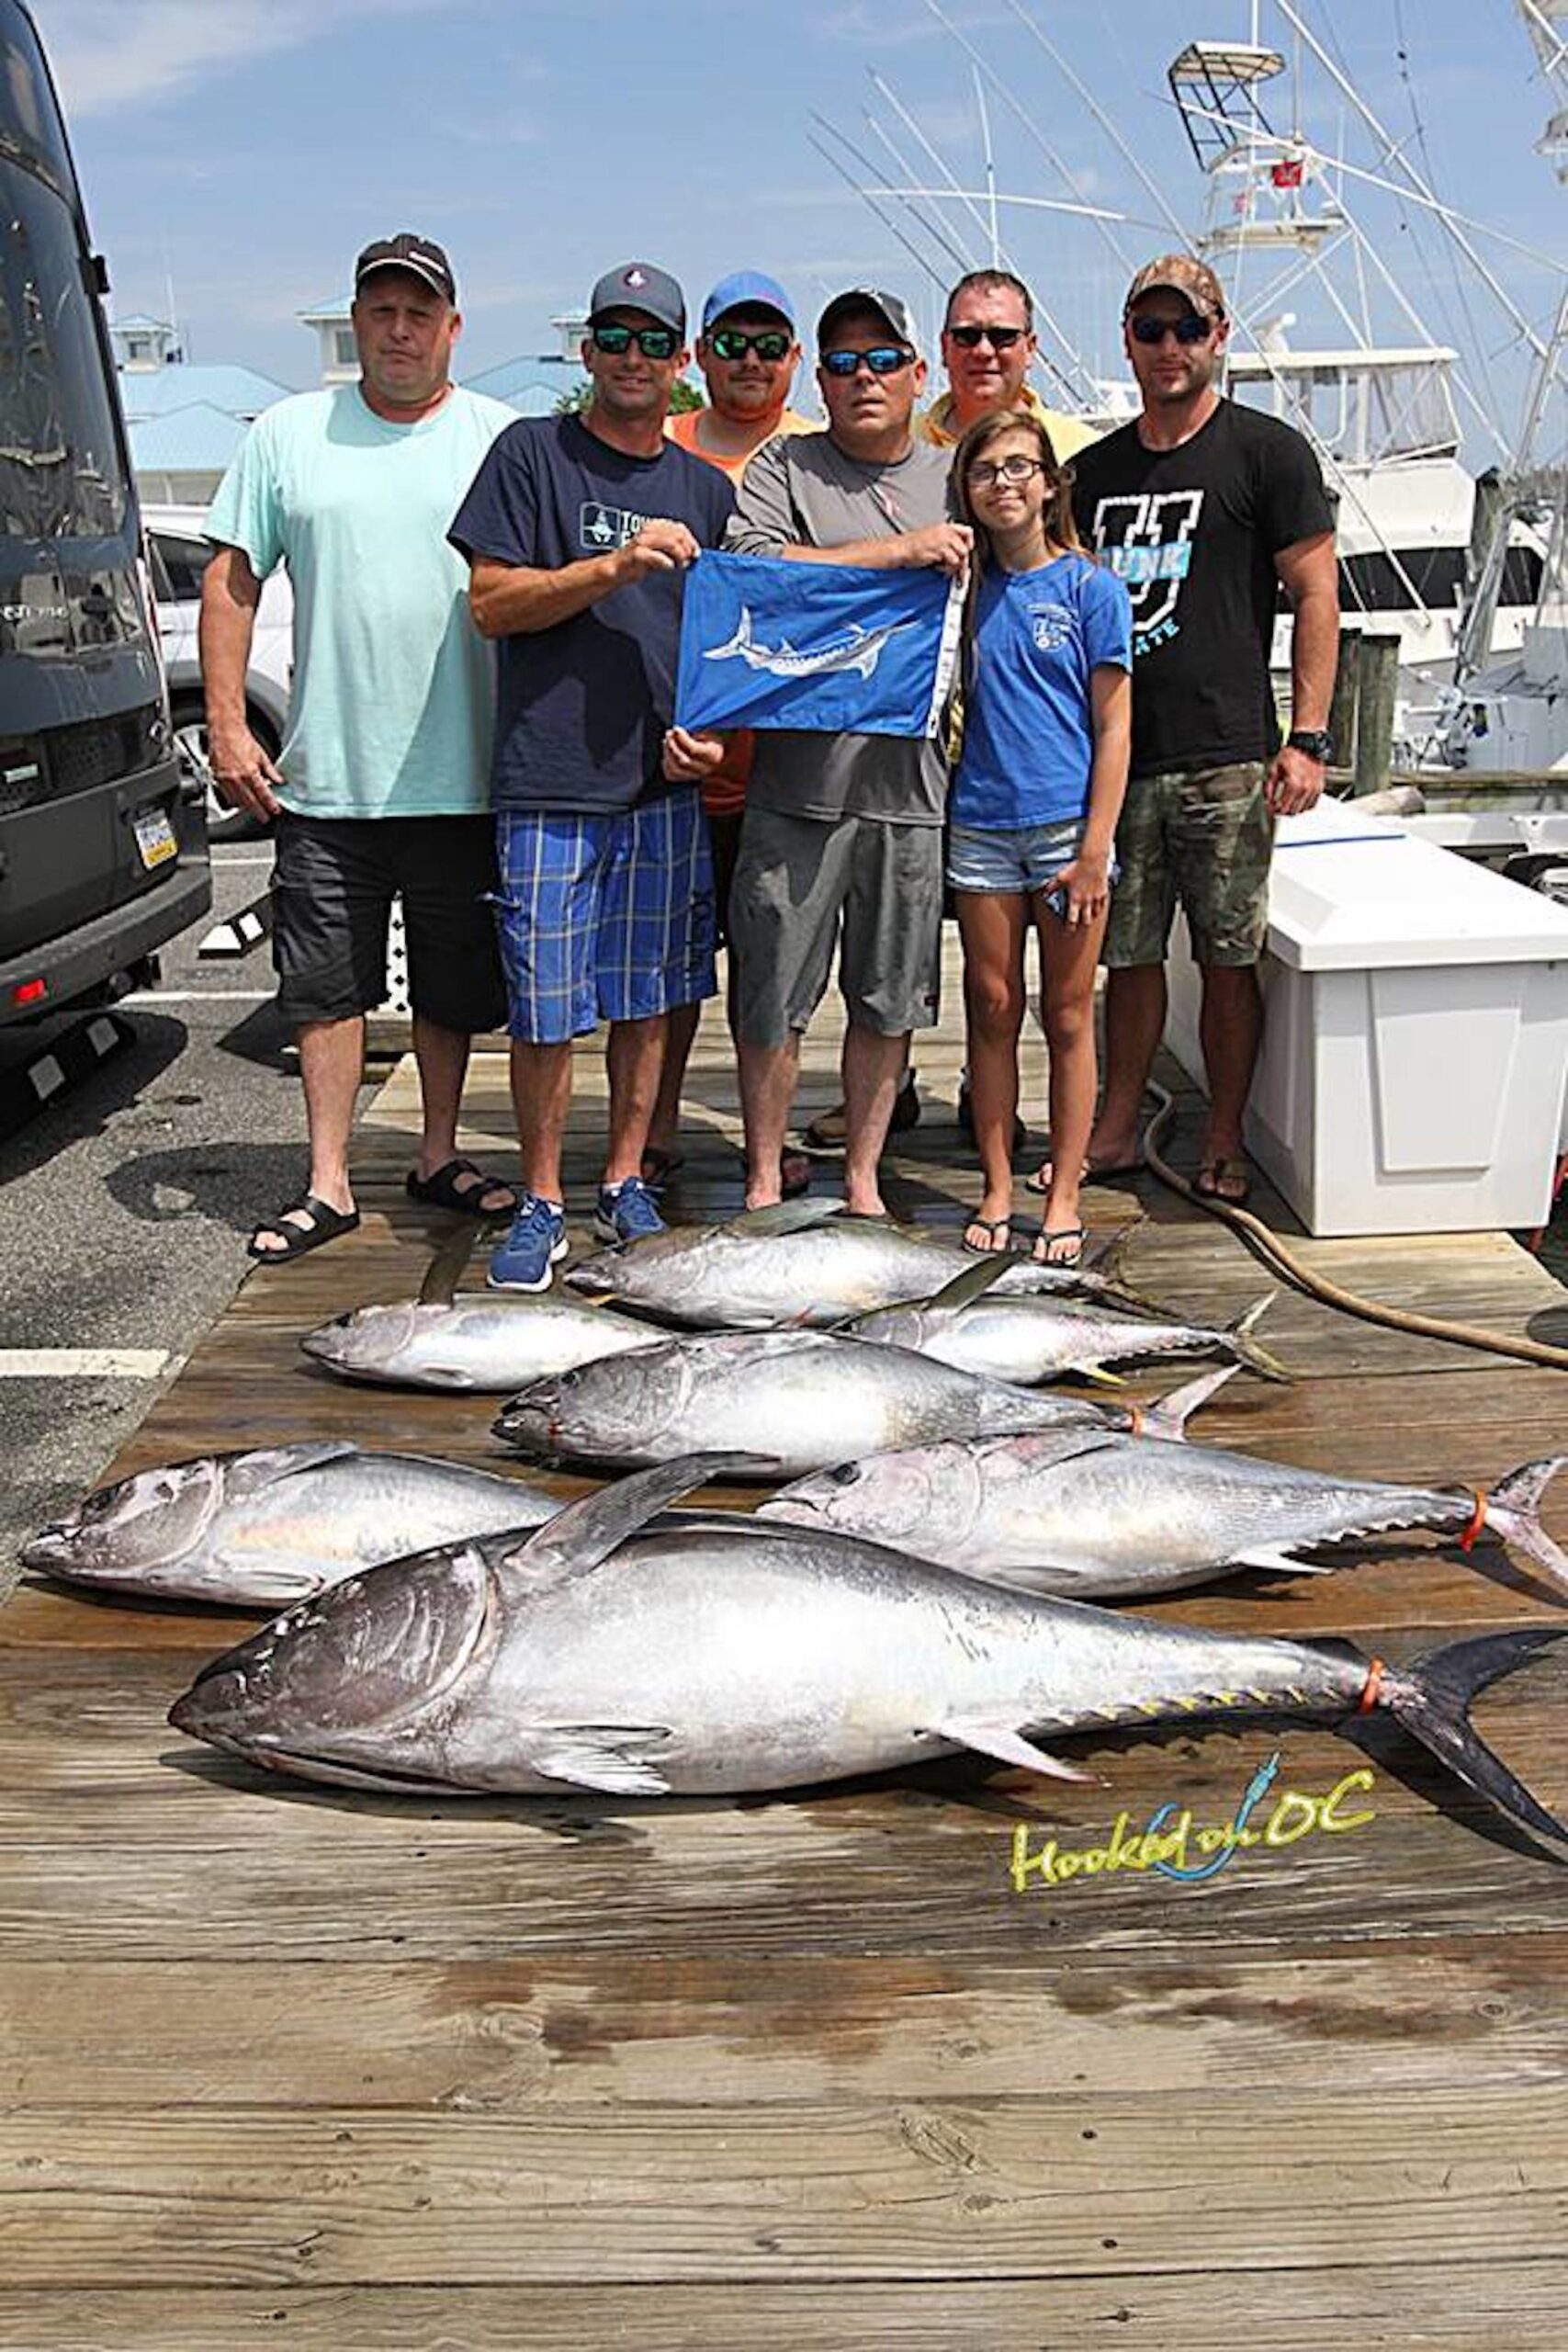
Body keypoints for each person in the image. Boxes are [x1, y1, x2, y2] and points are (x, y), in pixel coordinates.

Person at [201, 232, 519, 1262]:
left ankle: (437, 1152)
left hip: (464, 776)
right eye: (381, 311)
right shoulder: (288, 434)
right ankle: (328, 1181)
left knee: (452, 987)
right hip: (324, 779)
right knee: (323, 989)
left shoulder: (502, 437)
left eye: (419, 313)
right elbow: (231, 580)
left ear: (452, 328)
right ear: (355, 322)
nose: (399, 330)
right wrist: (225, 723)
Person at [449, 261, 734, 1292]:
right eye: (614, 337)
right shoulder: (531, 453)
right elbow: (491, 604)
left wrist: (709, 737)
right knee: (545, 1005)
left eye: (653, 340)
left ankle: (622, 1177)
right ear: (587, 350)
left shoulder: (707, 490)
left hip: (660, 788)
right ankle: (540, 1197)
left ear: (680, 360)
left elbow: (724, 642)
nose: (632, 357)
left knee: (646, 998)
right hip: (550, 780)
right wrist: (612, 568)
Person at [1057, 252, 1337, 1206]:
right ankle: (1117, 1122)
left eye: (1187, 328)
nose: (1168, 346)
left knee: (1226, 957)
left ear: (1219, 336)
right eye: (1150, 329)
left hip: (1228, 757)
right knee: (1127, 957)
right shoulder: (1091, 473)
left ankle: (1222, 1133)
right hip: (1118, 759)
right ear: (1127, 340)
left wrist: (1308, 736)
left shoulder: (1268, 453)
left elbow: (1314, 594)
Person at [725, 287, 969, 1217]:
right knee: (770, 995)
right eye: (842, 363)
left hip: (912, 787)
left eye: (882, 360)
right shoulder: (782, 465)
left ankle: (863, 1177)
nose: (863, 377)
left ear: (918, 373)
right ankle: (762, 1173)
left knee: (889, 997)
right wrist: (897, 554)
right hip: (795, 788)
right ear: (819, 381)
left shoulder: (958, 474)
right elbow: (753, 572)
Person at [646, 269, 815, 1199]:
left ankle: (767, 1146)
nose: (751, 361)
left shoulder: (818, 451)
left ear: (795, 358)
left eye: (769, 345)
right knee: (669, 969)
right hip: (674, 761)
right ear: (701, 355)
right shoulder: (660, 445)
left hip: (783, 769)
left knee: (772, 971)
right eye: (733, 344)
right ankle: (656, 1127)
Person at [949, 406, 1131, 1267]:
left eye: (1019, 467)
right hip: (979, 827)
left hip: (1065, 831)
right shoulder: (958, 591)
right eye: (986, 471)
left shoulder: (1091, 589)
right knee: (991, 1008)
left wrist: (1095, 849)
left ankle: (1062, 1193)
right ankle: (995, 1184)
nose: (1003, 484)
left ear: (1051, 483)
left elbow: (1113, 726)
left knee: (1066, 1013)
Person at [919, 267, 1100, 460]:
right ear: (944, 347)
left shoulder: (1083, 452)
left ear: (1030, 349)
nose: (983, 351)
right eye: (966, 336)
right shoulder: (903, 444)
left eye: (1002, 336)